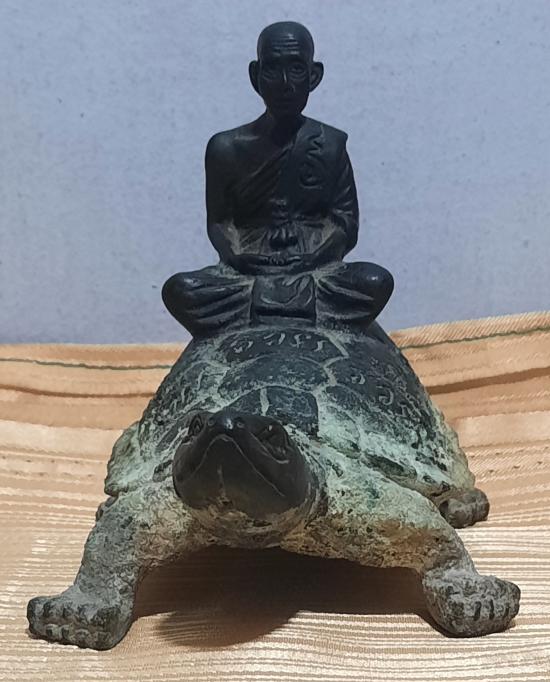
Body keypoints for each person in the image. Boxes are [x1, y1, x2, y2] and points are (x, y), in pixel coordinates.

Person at [163, 21, 393, 337]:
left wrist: (312, 259)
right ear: (255, 75)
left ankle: (266, 312)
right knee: (181, 289)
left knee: (375, 282)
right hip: (248, 273)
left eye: (297, 69)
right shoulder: (225, 148)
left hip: (314, 270)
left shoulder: (330, 144)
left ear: (314, 76)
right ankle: (293, 312)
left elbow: (345, 223)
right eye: (273, 69)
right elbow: (219, 222)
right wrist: (238, 258)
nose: (285, 84)